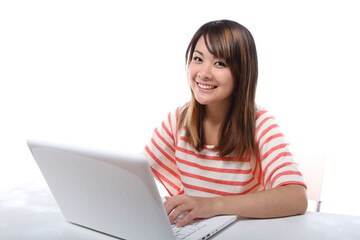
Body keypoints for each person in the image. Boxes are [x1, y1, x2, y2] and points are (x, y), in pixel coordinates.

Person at [143, 20, 308, 227]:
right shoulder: (178, 120)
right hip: (195, 232)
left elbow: (296, 197)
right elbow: (135, 174)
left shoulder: (259, 124)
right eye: (197, 59)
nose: (204, 73)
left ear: (242, 73)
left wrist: (211, 205)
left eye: (219, 63)